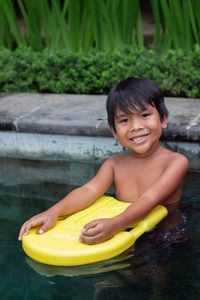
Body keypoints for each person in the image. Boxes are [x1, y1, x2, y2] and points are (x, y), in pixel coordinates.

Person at [18, 78, 189, 245]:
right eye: (124, 120)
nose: (135, 126)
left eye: (144, 115)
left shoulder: (176, 162)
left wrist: (116, 224)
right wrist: (54, 211)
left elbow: (150, 198)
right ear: (113, 131)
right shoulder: (114, 165)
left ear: (163, 119)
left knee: (155, 272)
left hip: (165, 235)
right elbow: (88, 190)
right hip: (121, 233)